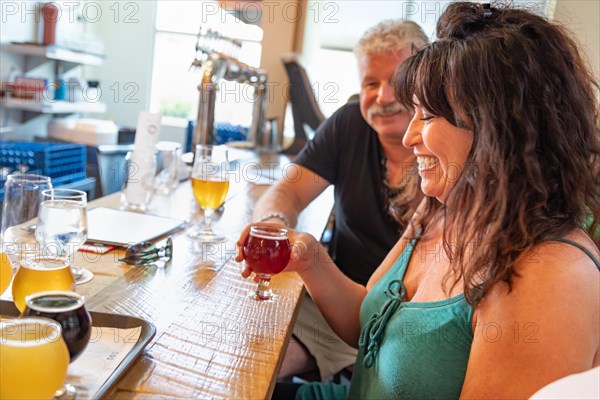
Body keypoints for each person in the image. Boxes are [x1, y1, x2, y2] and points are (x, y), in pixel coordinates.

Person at [237, 2, 600, 398]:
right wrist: (310, 258)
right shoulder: (442, 206)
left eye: (426, 116)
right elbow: (366, 325)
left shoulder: (549, 275)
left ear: (495, 126)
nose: (410, 137)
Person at [250, 20, 427, 381]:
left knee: (260, 363)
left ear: (426, 84)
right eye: (370, 83)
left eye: (397, 82)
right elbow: (287, 192)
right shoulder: (350, 124)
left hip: (402, 325)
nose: (383, 96)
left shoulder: (443, 155)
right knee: (247, 339)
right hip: (336, 307)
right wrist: (274, 225)